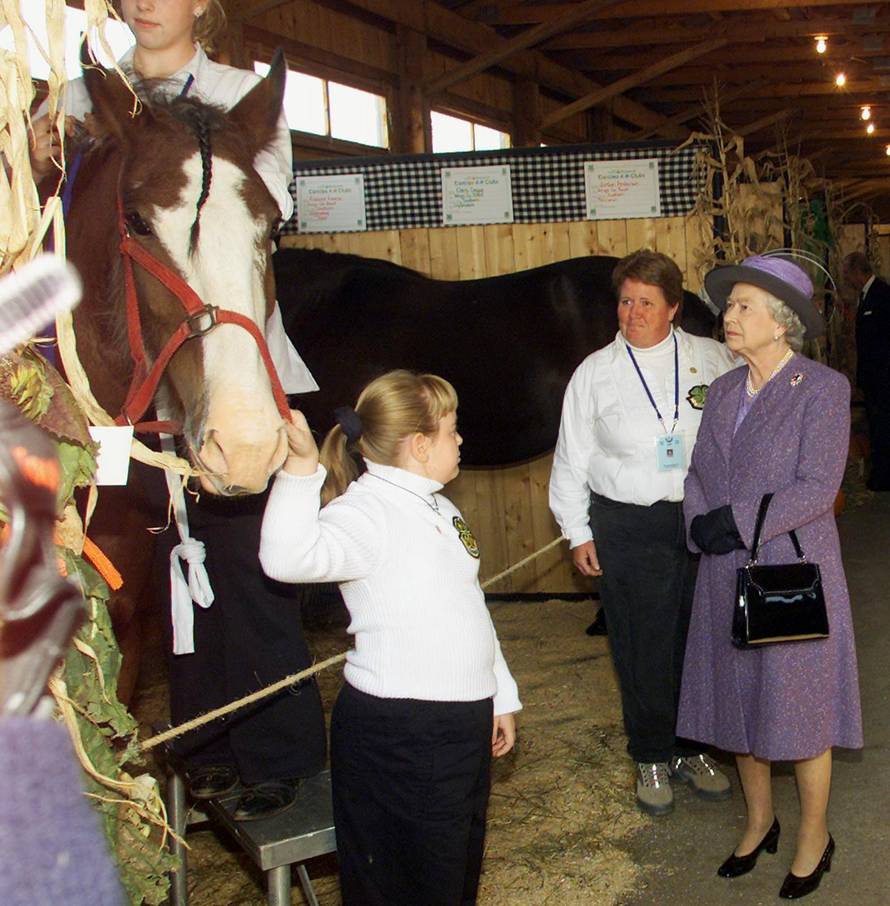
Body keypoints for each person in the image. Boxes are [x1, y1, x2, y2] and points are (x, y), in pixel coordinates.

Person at [33, 0, 327, 821]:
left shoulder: (239, 93)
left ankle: (278, 752)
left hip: (225, 363)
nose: (145, 3)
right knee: (170, 577)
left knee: (245, 568)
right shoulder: (81, 99)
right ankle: (201, 745)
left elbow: (249, 219)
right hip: (118, 383)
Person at [259, 370, 521, 906]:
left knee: (454, 870)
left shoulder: (439, 507)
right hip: (404, 729)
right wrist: (300, 471)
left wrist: (500, 694)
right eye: (453, 430)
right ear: (420, 446)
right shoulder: (365, 512)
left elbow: (468, 607)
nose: (461, 440)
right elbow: (284, 558)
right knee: (408, 883)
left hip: (458, 720)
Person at [678, 253, 862, 899]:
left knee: (801, 709)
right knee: (738, 701)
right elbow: (698, 472)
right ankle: (760, 822)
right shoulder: (725, 389)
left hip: (790, 572)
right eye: (729, 306)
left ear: (780, 323)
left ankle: (815, 834)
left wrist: (741, 520)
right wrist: (700, 521)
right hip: (724, 569)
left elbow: (819, 485)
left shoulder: (822, 389)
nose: (729, 316)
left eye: (743, 307)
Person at [549, 249, 736, 816]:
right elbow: (570, 459)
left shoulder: (712, 359)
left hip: (699, 520)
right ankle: (651, 751)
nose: (632, 313)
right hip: (627, 523)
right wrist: (577, 531)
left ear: (674, 309)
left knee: (696, 636)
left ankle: (691, 747)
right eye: (626, 301)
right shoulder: (595, 373)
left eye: (646, 303)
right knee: (639, 640)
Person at [842, 252, 890, 491]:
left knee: (883, 424)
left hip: (883, 375)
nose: (847, 279)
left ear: (856, 272)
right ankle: (881, 472)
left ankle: (884, 476)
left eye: (847, 274)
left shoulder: (882, 295)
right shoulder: (865, 296)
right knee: (876, 423)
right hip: (873, 376)